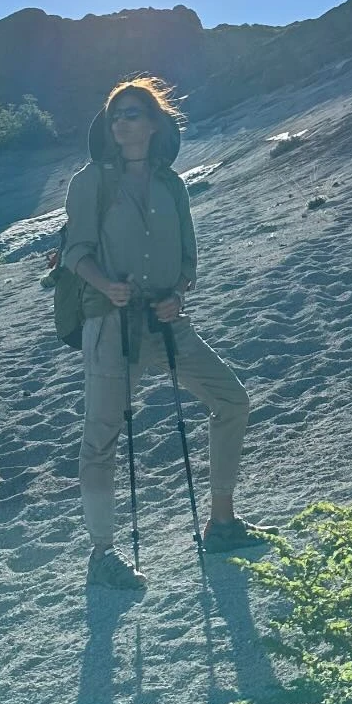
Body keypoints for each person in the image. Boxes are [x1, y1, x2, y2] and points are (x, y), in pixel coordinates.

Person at [62, 75, 265, 594]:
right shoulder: (91, 181)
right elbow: (75, 252)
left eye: (132, 112)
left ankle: (222, 523)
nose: (121, 121)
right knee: (101, 438)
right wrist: (107, 284)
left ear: (153, 123)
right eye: (115, 115)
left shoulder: (173, 185)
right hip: (109, 325)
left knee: (232, 401)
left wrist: (179, 290)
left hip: (167, 321)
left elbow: (189, 258)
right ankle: (102, 554)